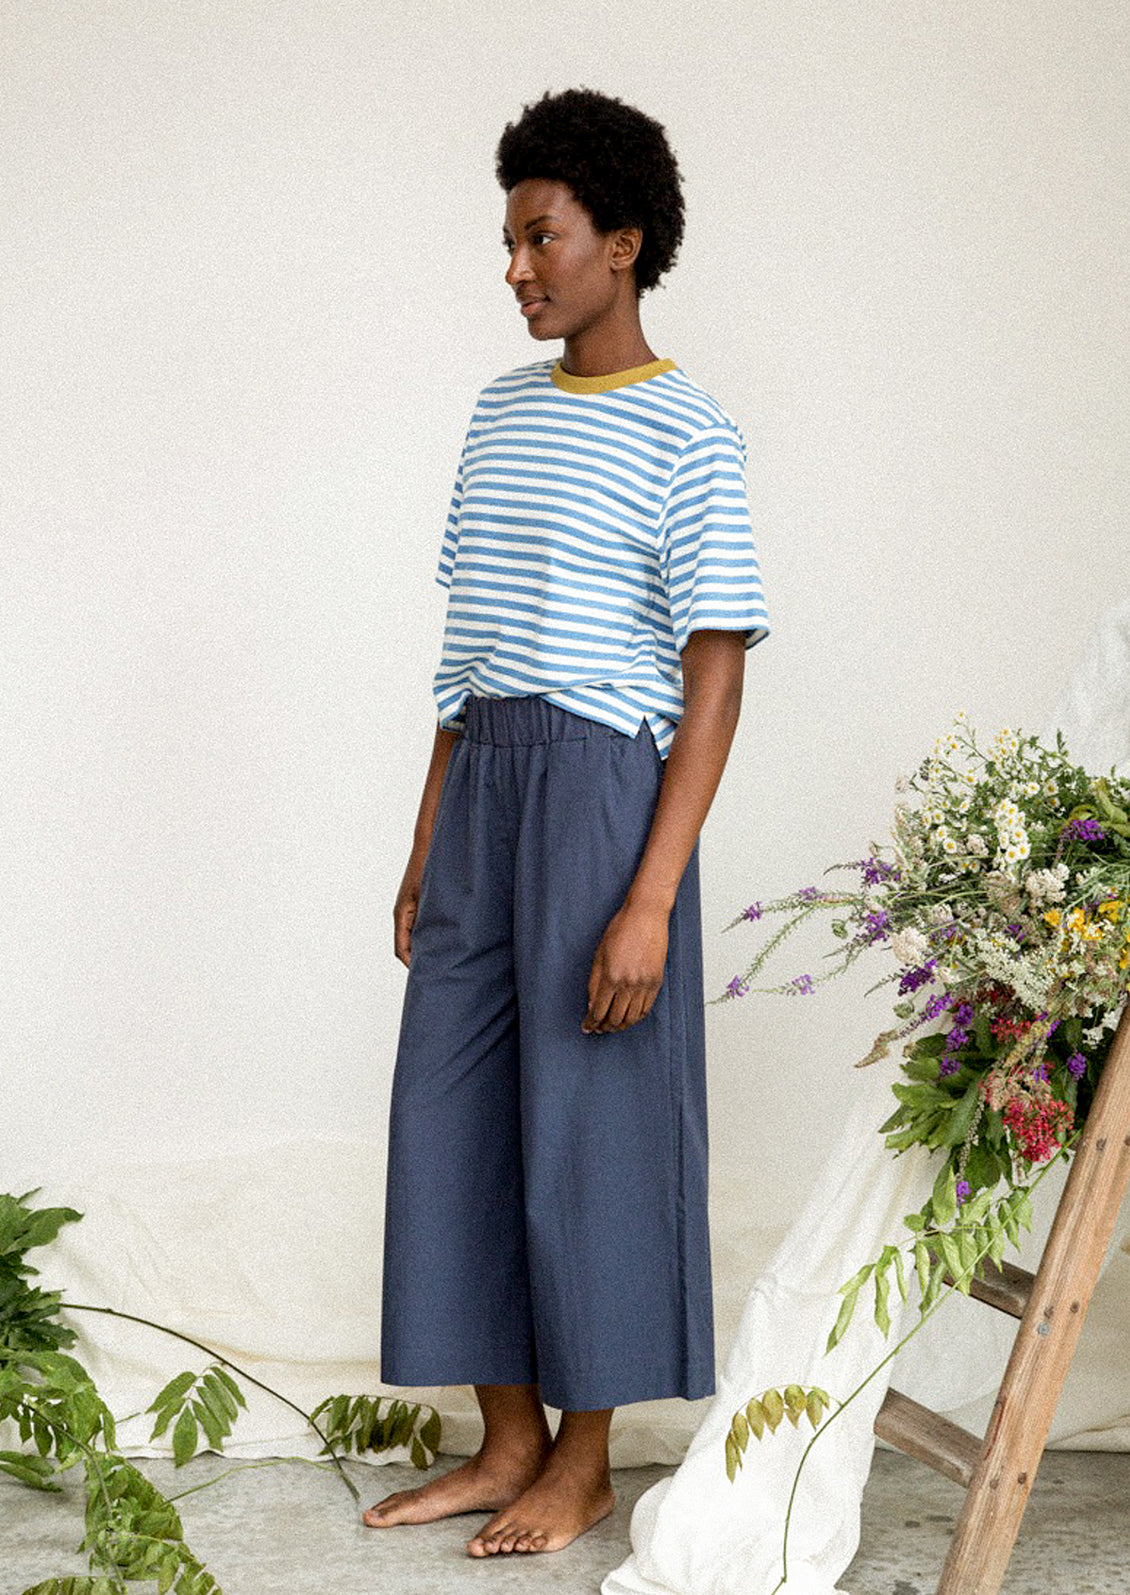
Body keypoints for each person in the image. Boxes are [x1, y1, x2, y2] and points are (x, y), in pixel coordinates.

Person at [363, 86, 771, 1558]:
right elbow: (464, 655)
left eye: (540, 237)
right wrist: (425, 842)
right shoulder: (498, 413)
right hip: (486, 782)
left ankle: (585, 1462)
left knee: (587, 1125)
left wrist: (651, 894)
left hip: (605, 789)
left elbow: (711, 674)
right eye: (509, 240)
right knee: (455, 1110)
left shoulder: (691, 434)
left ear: (622, 240)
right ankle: (507, 1440)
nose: (518, 267)